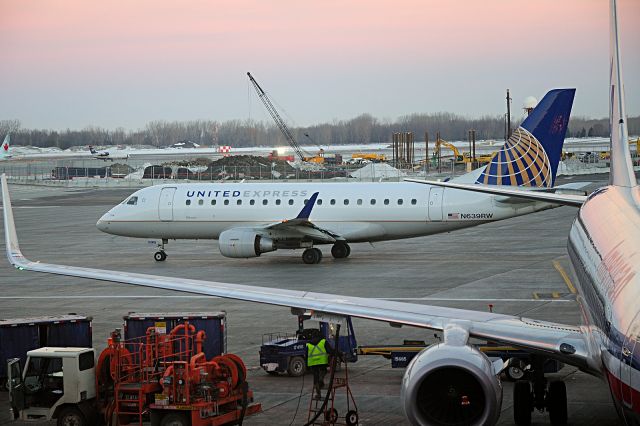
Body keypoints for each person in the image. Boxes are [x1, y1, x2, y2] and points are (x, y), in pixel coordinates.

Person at [306, 332, 336, 399]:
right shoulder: (323, 341)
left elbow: (306, 354)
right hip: (322, 362)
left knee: (315, 376)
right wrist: (337, 353)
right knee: (324, 371)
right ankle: (321, 379)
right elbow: (330, 351)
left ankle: (318, 394)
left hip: (312, 363)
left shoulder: (308, 344)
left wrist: (307, 365)